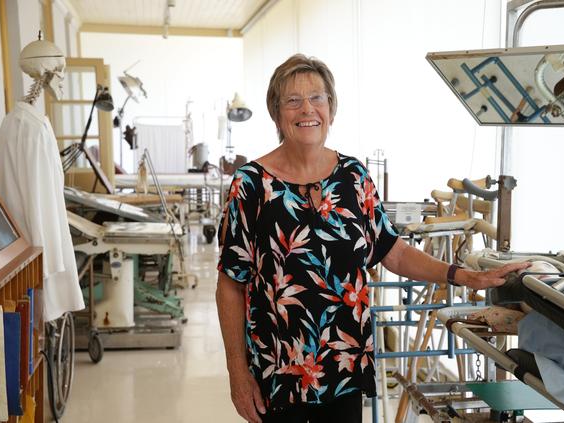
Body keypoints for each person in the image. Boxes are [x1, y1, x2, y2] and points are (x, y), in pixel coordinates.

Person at [216, 53, 528, 423]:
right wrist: (237, 371)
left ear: (331, 108)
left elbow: (391, 250)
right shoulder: (251, 185)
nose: (307, 109)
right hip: (278, 371)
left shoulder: (353, 177)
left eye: (317, 97)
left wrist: (465, 276)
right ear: (276, 112)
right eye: (292, 100)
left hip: (344, 365)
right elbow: (230, 285)